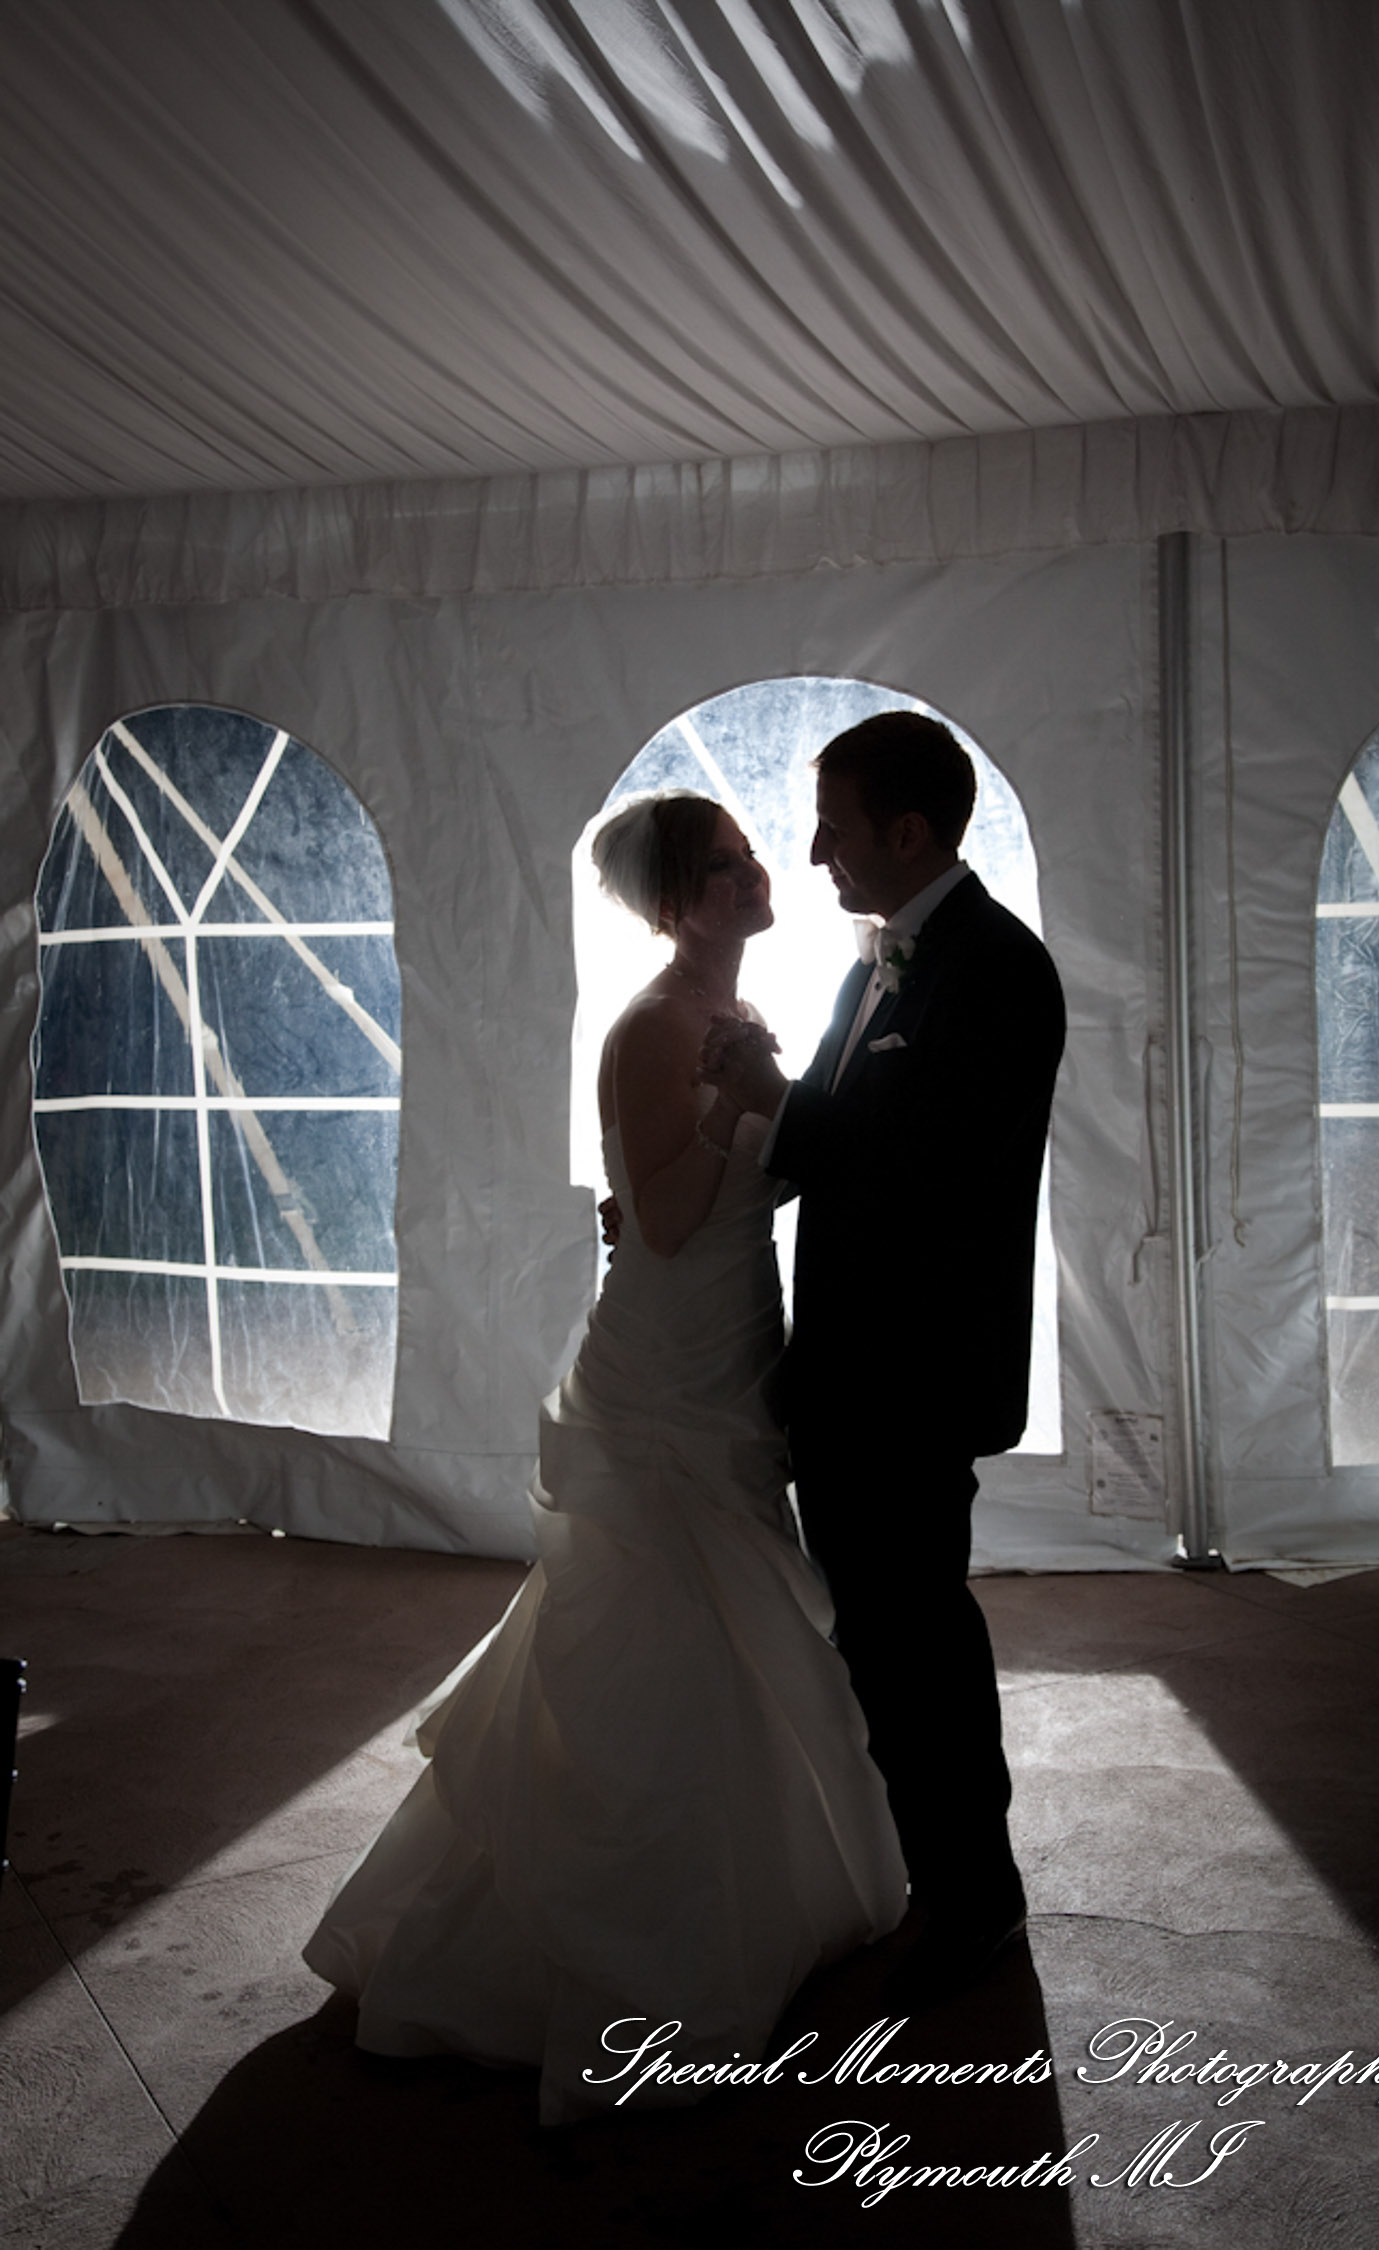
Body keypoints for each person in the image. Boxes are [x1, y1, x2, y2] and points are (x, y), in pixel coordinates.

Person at [303, 790, 906, 2125]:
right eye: (732, 864)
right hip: (669, 1357)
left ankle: (755, 1883)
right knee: (650, 1612)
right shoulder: (650, 1026)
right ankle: (610, 1942)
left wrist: (771, 1100)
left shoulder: (739, 1008)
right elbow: (670, 1219)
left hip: (738, 1341)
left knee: (740, 1609)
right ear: (682, 901)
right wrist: (737, 1098)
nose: (764, 872)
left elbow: (769, 1173)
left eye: (753, 855)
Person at [701, 712, 1065, 2011]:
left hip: (915, 1381)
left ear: (907, 832)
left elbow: (913, 1171)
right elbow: (824, 1149)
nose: (814, 855)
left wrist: (767, 1082)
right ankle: (938, 1881)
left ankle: (979, 1903)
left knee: (921, 1648)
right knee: (878, 1644)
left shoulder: (999, 972)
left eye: (835, 827)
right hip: (848, 1378)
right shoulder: (875, 971)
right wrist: (706, 1174)